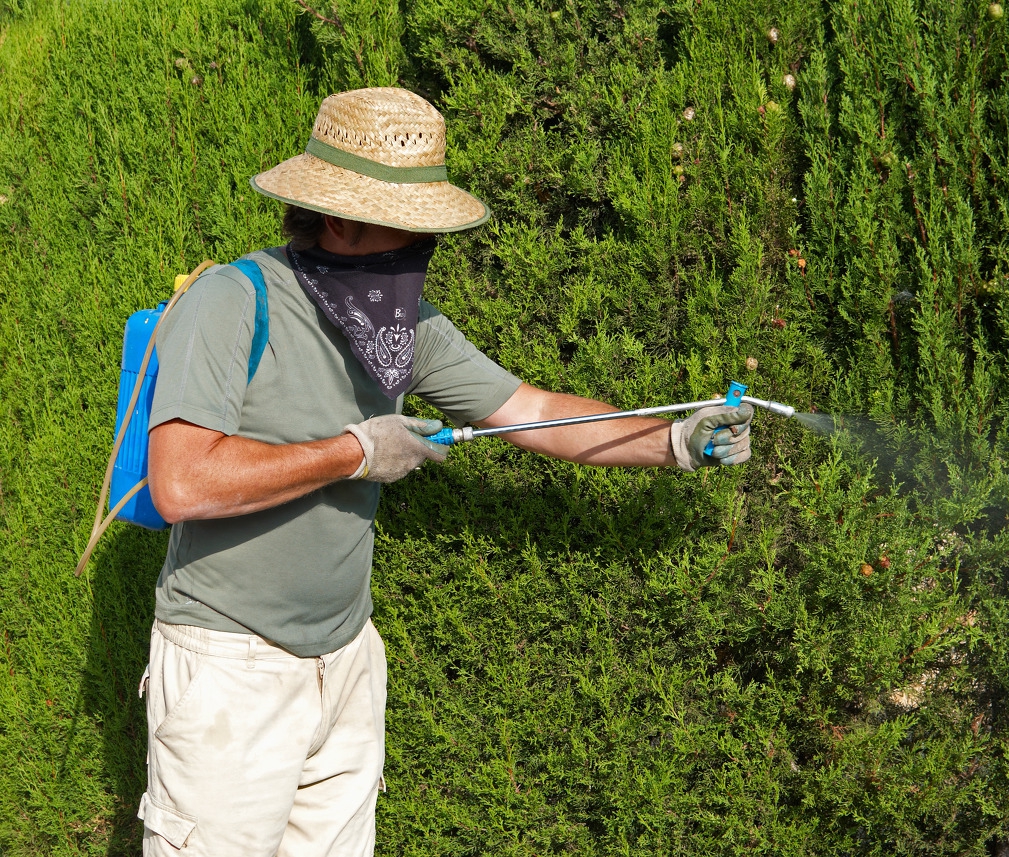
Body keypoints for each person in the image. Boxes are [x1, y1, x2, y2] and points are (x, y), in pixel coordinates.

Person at [135, 87, 753, 856]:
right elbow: (183, 481)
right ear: (337, 217)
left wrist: (674, 442)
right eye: (403, 227)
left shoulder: (400, 328)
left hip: (346, 661)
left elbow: (530, 409)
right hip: (231, 669)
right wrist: (355, 452)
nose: (418, 250)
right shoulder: (235, 300)